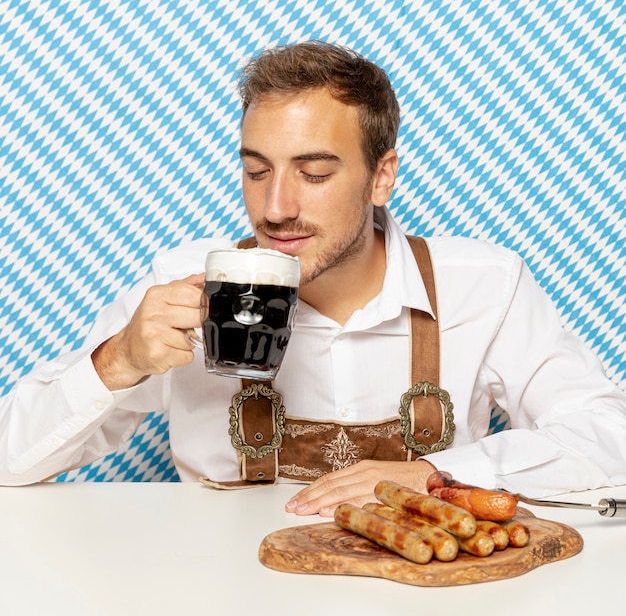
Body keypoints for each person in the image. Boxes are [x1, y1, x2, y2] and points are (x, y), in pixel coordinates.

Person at [1, 41, 625, 517]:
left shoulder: (484, 285)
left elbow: (611, 439)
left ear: (382, 177)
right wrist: (115, 362)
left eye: (315, 174)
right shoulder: (181, 284)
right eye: (255, 170)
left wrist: (444, 471)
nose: (275, 207)